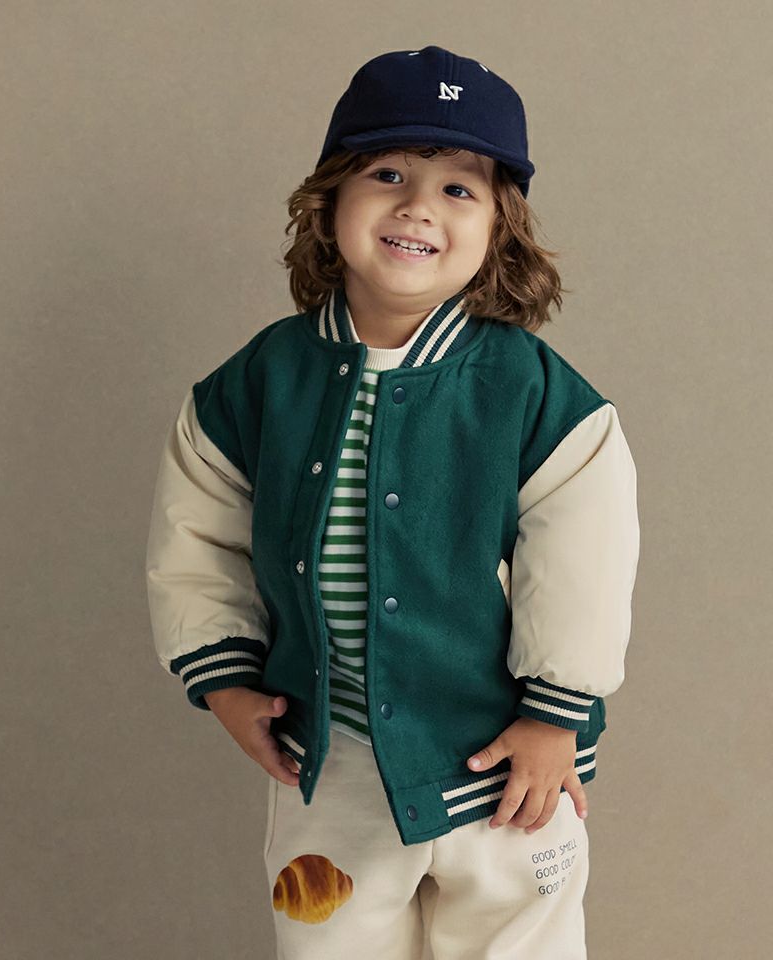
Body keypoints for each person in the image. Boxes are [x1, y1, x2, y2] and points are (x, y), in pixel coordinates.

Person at [145, 44, 640, 960]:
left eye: (458, 188)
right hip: (328, 757)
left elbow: (584, 558)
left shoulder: (533, 392)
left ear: (501, 226)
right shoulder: (261, 380)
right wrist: (225, 680)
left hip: (507, 766)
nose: (418, 205)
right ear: (330, 198)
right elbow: (196, 530)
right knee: (330, 943)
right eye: (388, 174)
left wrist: (553, 715)